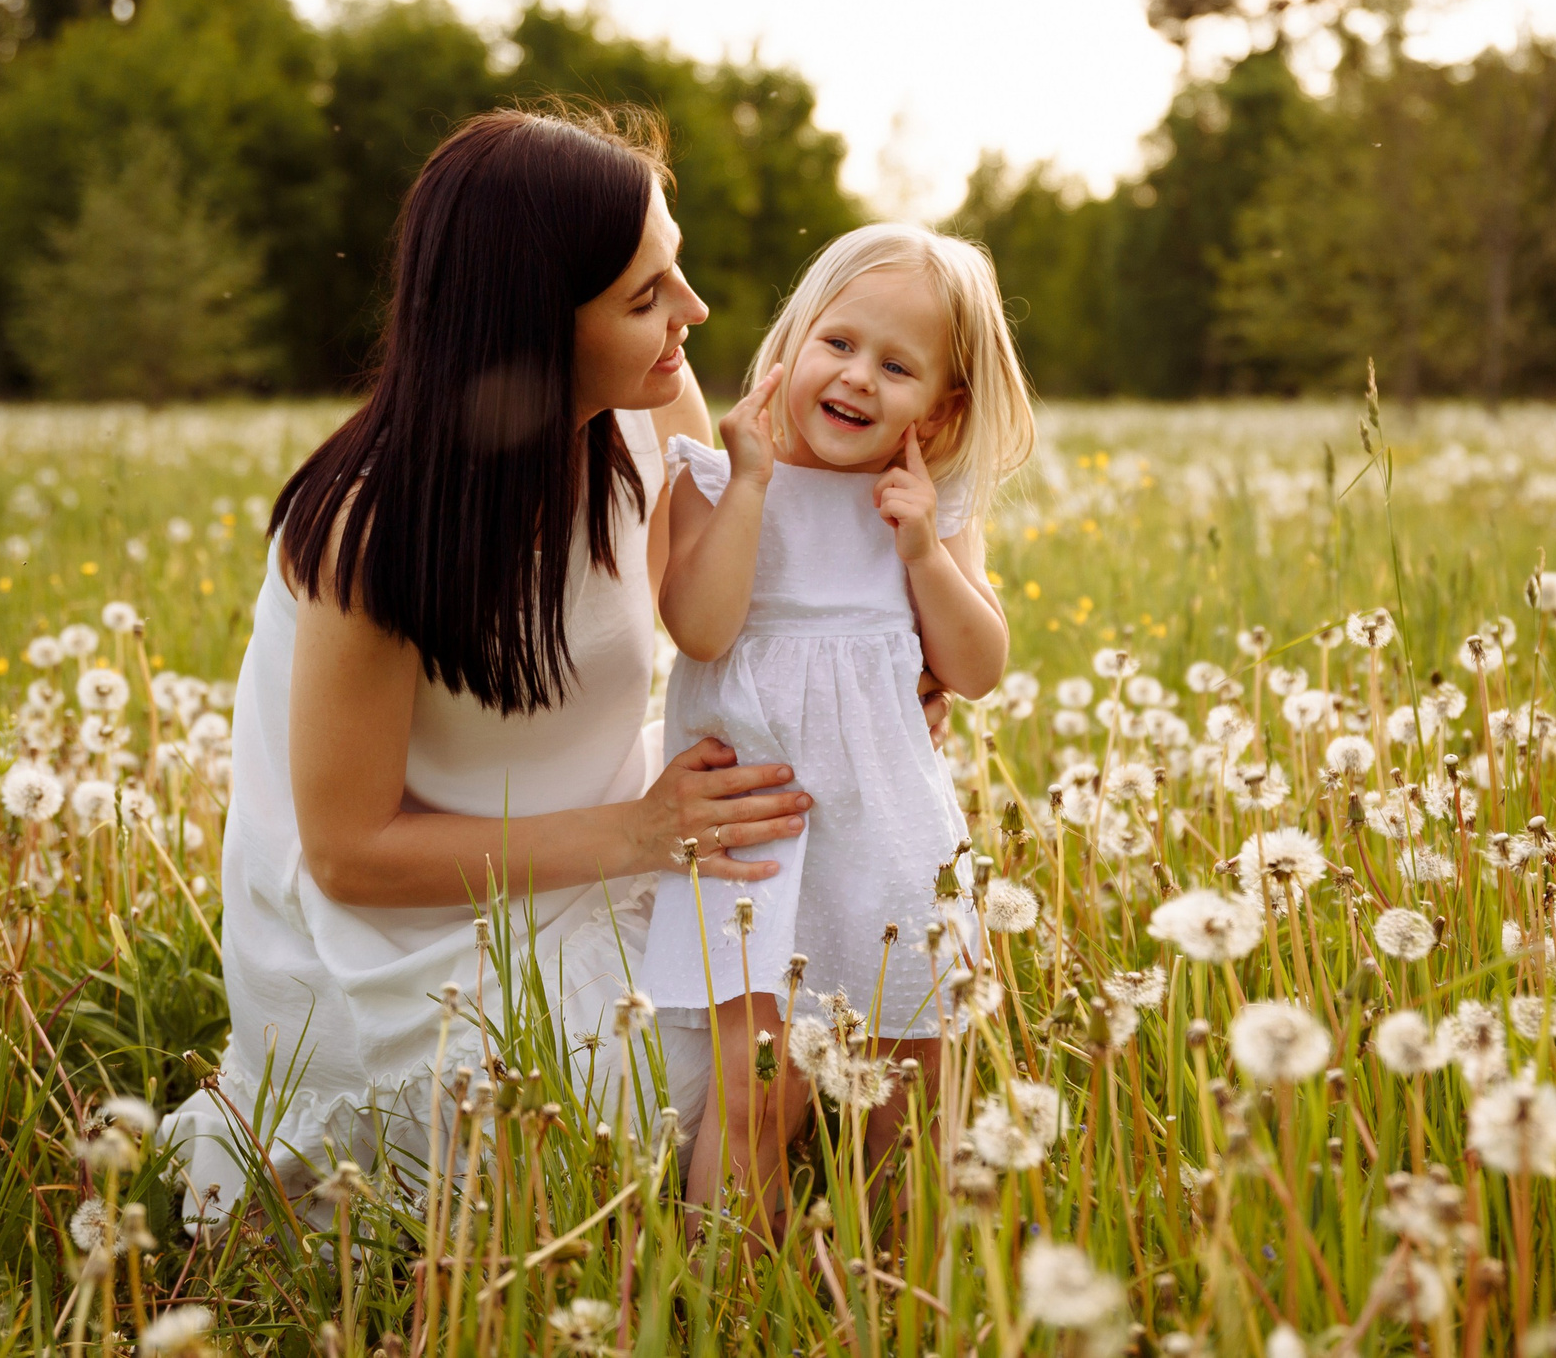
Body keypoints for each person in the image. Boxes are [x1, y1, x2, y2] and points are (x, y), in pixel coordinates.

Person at [159, 107, 954, 1226]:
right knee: (702, 1084)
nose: (695, 314)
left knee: (813, 1007)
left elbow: (744, 596)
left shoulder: (650, 411)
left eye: (673, 271)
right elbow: (348, 856)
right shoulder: (370, 532)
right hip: (421, 933)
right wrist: (641, 834)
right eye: (645, 297)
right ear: (533, 323)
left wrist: (882, 671)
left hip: (601, 824)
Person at [641, 223, 1036, 1220]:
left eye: (897, 366)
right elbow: (699, 627)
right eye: (839, 343)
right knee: (756, 1094)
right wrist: (752, 487)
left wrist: (921, 553)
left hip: (888, 838)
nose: (857, 378)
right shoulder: (720, 476)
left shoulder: (924, 506)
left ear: (942, 405)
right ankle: (731, 1304)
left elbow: (978, 669)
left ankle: (902, 1285)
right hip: (753, 840)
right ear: (792, 341)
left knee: (914, 1084)